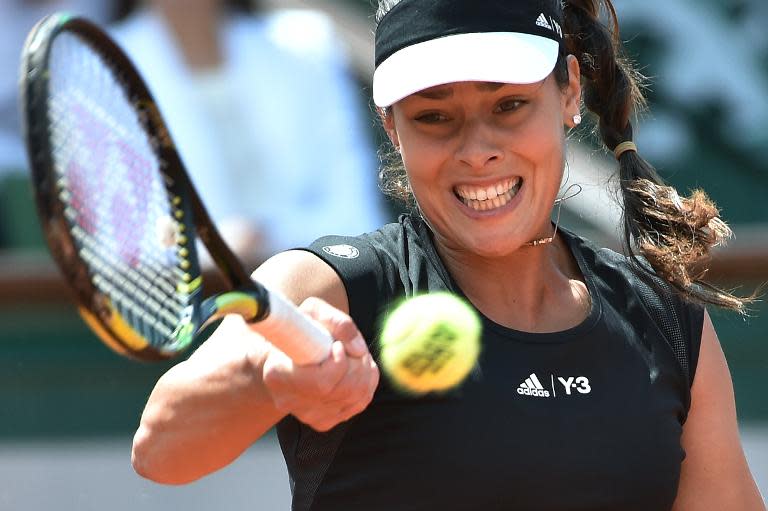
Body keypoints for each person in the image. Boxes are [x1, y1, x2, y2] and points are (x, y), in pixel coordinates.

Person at [129, 1, 766, 509]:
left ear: (569, 91)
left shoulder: (666, 321)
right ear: (390, 124)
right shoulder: (328, 287)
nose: (476, 149)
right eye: (434, 117)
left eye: (509, 105)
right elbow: (162, 447)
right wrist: (270, 379)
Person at [110, 0, 386, 256]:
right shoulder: (101, 63)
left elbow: (359, 218)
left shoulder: (310, 46)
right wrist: (218, 249)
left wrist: (269, 238)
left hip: (322, 292)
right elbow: (120, 250)